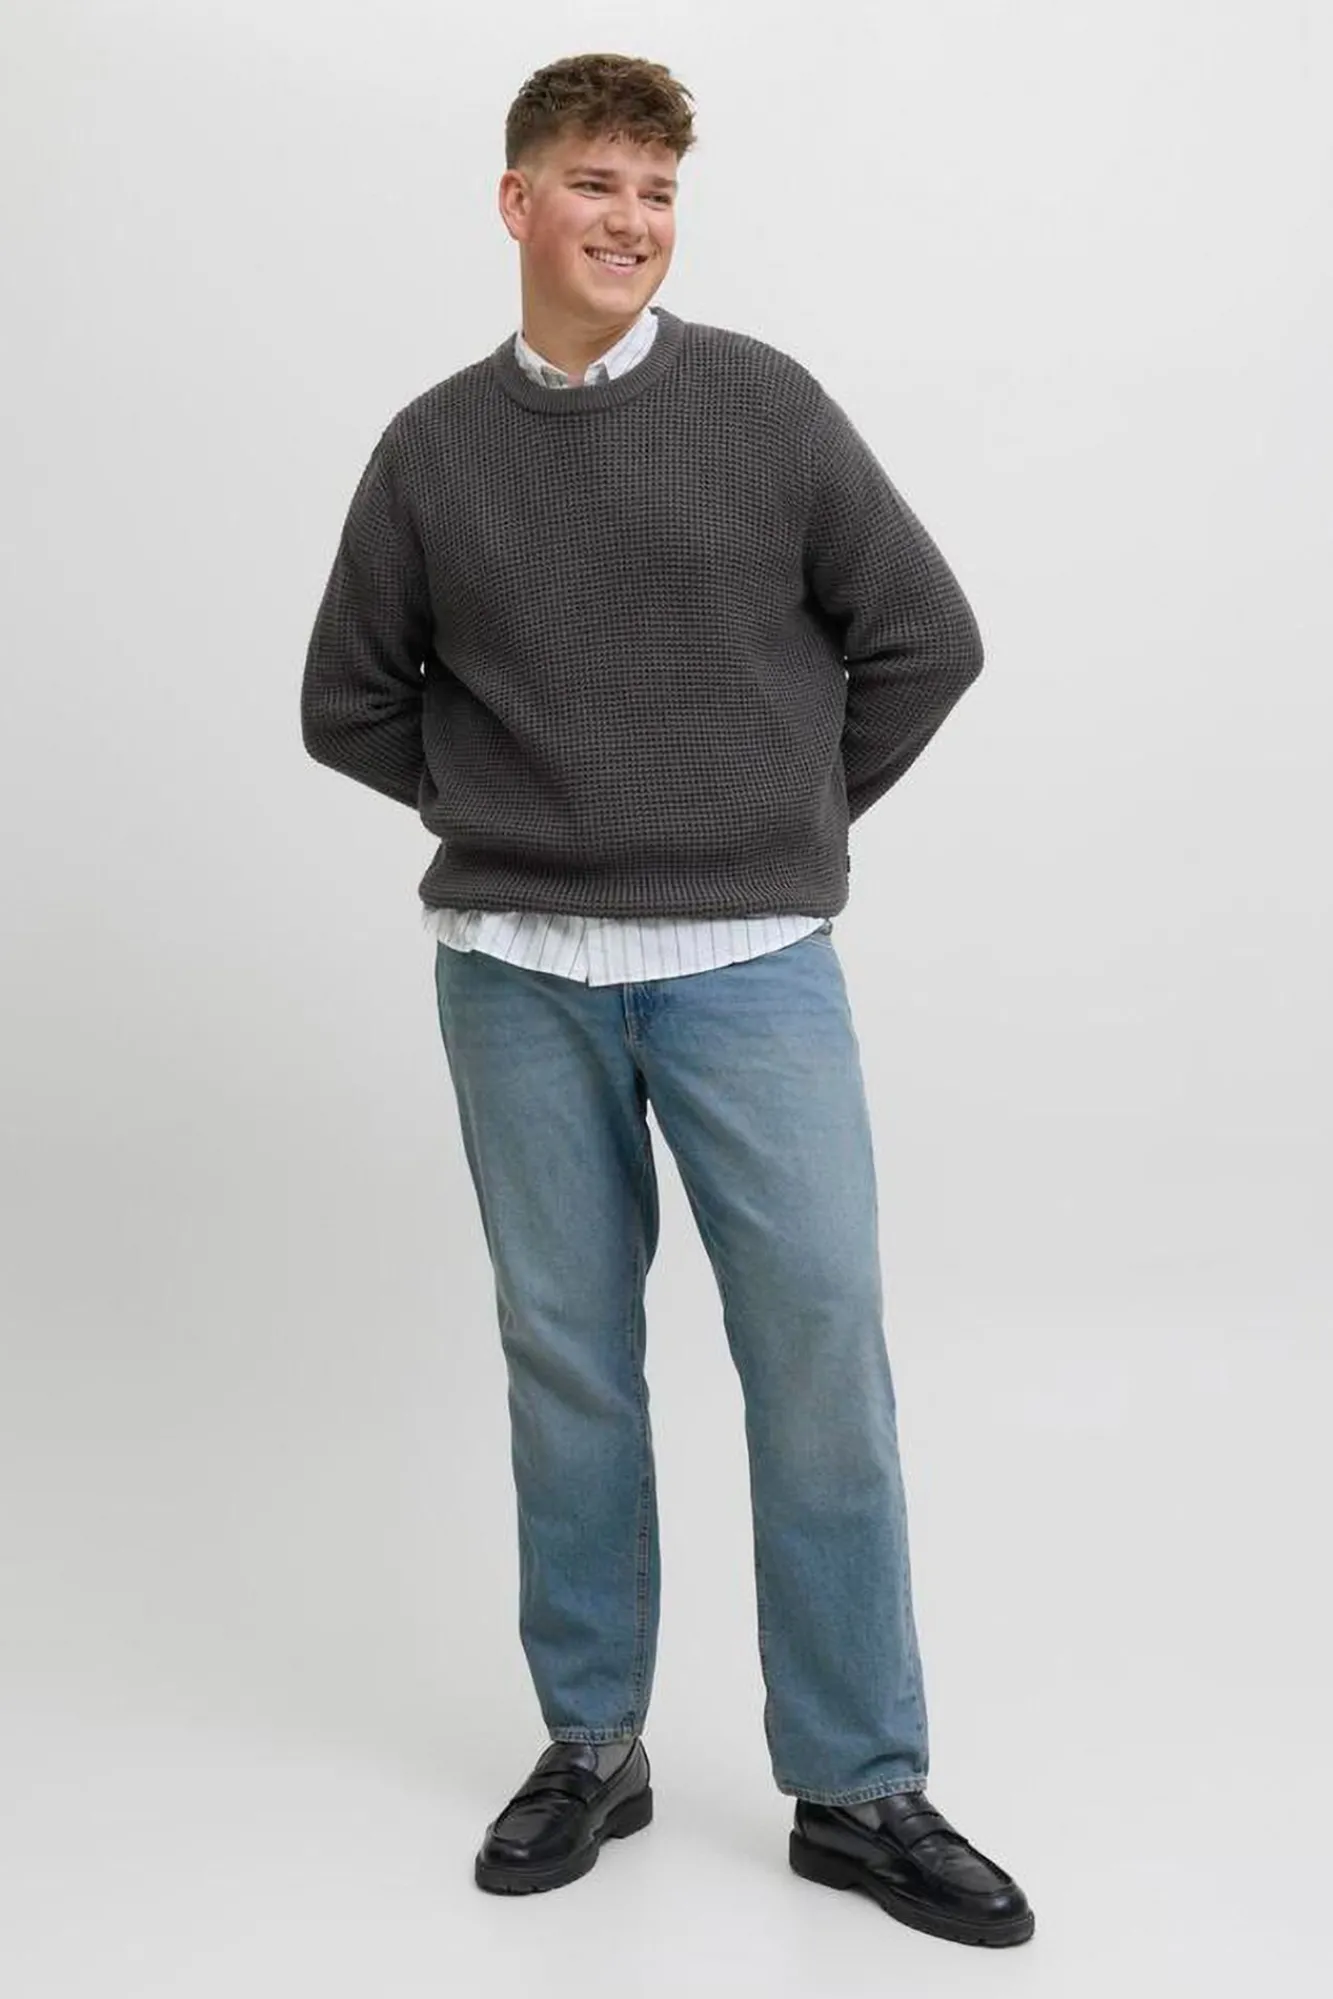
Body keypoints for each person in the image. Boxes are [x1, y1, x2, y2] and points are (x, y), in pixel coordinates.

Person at [300, 50, 1034, 1948]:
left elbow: (926, 636)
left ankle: (858, 1784)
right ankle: (592, 1743)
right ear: (517, 201)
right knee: (568, 1365)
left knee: (820, 1361)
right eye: (598, 183)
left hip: (749, 966)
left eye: (659, 192)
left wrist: (777, 812)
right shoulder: (431, 449)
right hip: (515, 973)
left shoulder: (762, 406)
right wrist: (519, 805)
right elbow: (347, 700)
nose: (632, 220)